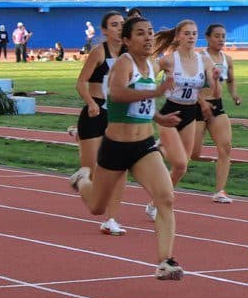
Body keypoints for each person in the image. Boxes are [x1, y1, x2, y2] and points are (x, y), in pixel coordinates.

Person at [69, 14, 184, 279]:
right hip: (116, 146)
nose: (148, 37)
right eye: (141, 33)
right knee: (97, 207)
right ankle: (83, 179)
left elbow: (138, 104)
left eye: (150, 32)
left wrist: (158, 116)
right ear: (127, 40)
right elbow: (119, 94)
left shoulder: (150, 65)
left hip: (143, 145)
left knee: (166, 198)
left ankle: (165, 261)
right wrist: (155, 93)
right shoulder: (124, 62)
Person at [147, 19, 216, 219]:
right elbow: (147, 76)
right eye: (186, 33)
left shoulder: (203, 60)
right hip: (171, 112)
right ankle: (159, 149)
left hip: (190, 113)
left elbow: (214, 89)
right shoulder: (169, 60)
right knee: (180, 162)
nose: (191, 37)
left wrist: (215, 80)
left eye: (194, 33)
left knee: (181, 168)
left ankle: (154, 203)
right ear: (178, 36)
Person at [71, 10, 128, 236]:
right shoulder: (99, 53)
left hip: (118, 117)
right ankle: (81, 179)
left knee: (120, 168)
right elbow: (81, 83)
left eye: (122, 24)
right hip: (95, 114)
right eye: (114, 24)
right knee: (94, 172)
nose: (119, 28)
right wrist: (91, 103)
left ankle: (112, 219)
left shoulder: (129, 55)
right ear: (104, 30)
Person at [191, 23, 241, 204]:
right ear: (207, 38)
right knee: (193, 154)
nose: (221, 39)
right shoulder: (199, 58)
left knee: (226, 147)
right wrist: (201, 101)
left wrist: (234, 95)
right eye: (217, 36)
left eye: (223, 36)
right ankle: (164, 146)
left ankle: (220, 191)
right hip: (197, 106)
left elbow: (231, 80)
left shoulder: (227, 59)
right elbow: (190, 83)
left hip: (217, 106)